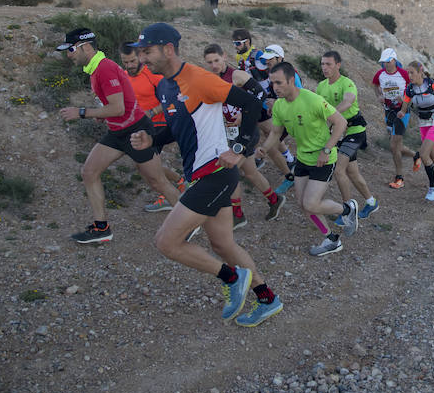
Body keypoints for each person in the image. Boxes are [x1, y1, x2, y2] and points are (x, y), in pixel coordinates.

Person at [129, 23, 283, 327]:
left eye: (147, 51)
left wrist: (239, 148)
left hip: (215, 173)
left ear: (168, 49)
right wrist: (154, 141)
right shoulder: (165, 86)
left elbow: (253, 104)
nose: (143, 58)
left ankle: (231, 277)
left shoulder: (198, 78)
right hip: (203, 176)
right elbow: (179, 127)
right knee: (224, 245)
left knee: (166, 242)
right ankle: (267, 298)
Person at [56, 28, 180, 244]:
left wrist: (82, 112)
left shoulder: (104, 69)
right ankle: (102, 228)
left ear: (86, 47)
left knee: (157, 181)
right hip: (118, 131)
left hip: (136, 131)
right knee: (88, 171)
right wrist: (101, 115)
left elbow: (118, 108)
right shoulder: (96, 69)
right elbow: (114, 107)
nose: (69, 54)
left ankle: (187, 223)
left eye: (71, 49)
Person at [257, 62, 359, 257]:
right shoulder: (279, 105)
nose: (274, 87)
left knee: (311, 203)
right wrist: (263, 148)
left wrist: (327, 150)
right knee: (303, 205)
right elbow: (276, 132)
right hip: (303, 159)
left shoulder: (312, 100)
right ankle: (331, 239)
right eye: (272, 83)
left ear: (290, 80)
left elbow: (341, 122)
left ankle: (347, 209)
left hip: (324, 159)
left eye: (278, 83)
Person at [203, 43, 286, 228]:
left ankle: (237, 215)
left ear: (224, 56)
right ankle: (274, 200)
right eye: (210, 62)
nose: (214, 65)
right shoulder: (209, 78)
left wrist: (243, 114)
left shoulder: (236, 75)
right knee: (250, 172)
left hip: (246, 132)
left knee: (227, 171)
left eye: (216, 60)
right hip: (228, 133)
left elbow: (260, 95)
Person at [119, 42, 185, 213]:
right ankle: (179, 182)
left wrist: (152, 111)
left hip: (160, 123)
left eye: (133, 61)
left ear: (140, 57)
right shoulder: (124, 76)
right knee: (142, 165)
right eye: (125, 62)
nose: (130, 66)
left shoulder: (154, 75)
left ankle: (168, 197)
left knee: (148, 164)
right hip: (139, 126)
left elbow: (172, 100)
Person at [316, 51, 380, 219]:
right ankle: (371, 202)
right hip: (338, 132)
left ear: (338, 65)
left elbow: (348, 101)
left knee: (339, 170)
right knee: (352, 172)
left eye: (328, 64)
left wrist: (332, 115)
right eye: (322, 64)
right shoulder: (321, 86)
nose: (324, 67)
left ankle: (348, 211)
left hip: (354, 130)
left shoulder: (347, 83)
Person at [231, 31, 296, 183]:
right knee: (266, 132)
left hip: (264, 99)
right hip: (256, 99)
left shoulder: (257, 56)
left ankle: (284, 161)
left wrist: (273, 96)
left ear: (247, 42)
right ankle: (286, 160)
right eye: (234, 43)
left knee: (269, 132)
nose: (235, 46)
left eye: (238, 43)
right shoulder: (242, 57)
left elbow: (271, 74)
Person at [398, 61, 434, 201]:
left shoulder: (431, 84)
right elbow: (404, 107)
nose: (409, 75)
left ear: (420, 72)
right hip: (423, 123)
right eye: (408, 73)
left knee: (424, 154)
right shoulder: (409, 89)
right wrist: (400, 112)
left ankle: (432, 187)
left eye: (412, 72)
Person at [372, 48, 417, 189]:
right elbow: (374, 84)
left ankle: (399, 178)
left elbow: (412, 90)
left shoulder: (404, 74)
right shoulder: (380, 74)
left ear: (394, 60)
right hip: (388, 112)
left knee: (393, 145)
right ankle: (416, 155)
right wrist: (378, 95)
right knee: (397, 146)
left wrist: (404, 101)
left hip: (402, 112)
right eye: (383, 62)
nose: (385, 64)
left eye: (388, 61)